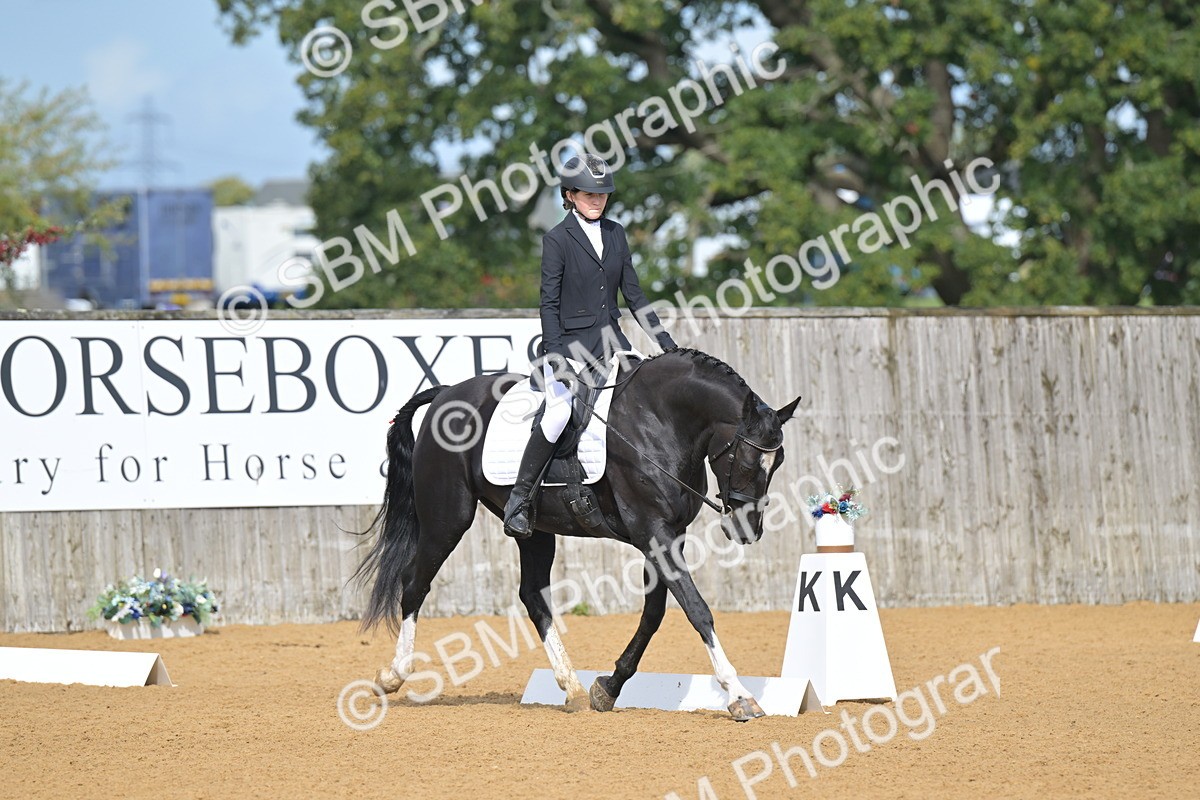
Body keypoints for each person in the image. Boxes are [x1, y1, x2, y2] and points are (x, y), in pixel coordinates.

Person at [502, 153, 678, 539]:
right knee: (557, 413)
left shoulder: (616, 233)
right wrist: (555, 356)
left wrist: (666, 343)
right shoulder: (557, 239)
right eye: (588, 194)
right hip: (571, 348)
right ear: (570, 195)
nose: (597, 200)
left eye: (602, 194)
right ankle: (519, 499)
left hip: (613, 344)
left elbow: (634, 294)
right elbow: (549, 303)